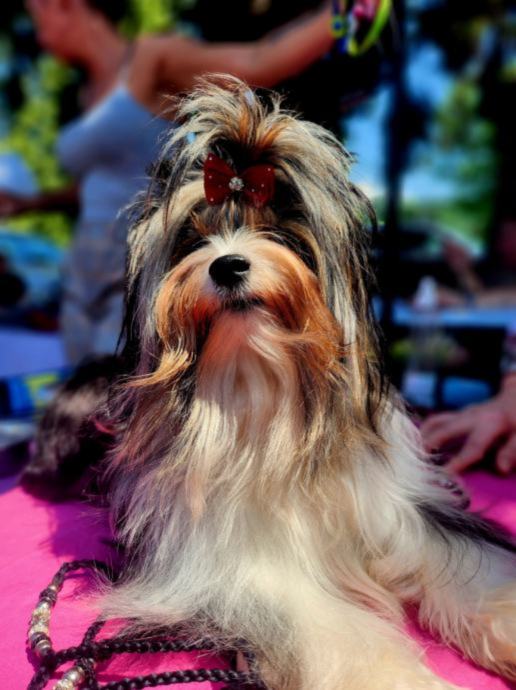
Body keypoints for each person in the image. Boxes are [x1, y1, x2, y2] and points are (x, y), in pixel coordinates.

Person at [0, 0, 334, 364]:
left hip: (136, 272)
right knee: (84, 383)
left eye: (41, 18)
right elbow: (101, 185)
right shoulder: (86, 92)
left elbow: (257, 63)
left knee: (128, 379)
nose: (41, 38)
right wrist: (34, 203)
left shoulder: (150, 58)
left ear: (70, 6)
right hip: (84, 275)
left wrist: (345, 14)